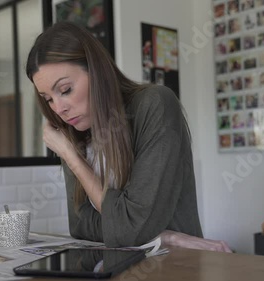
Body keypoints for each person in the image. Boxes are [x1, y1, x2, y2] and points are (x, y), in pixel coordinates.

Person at [25, 22, 231, 252]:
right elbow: (81, 226)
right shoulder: (73, 131)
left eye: (65, 90)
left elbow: (133, 229)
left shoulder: (155, 105)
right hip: (118, 263)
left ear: (97, 71)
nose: (59, 108)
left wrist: (70, 156)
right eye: (48, 99)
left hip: (172, 264)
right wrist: (166, 236)